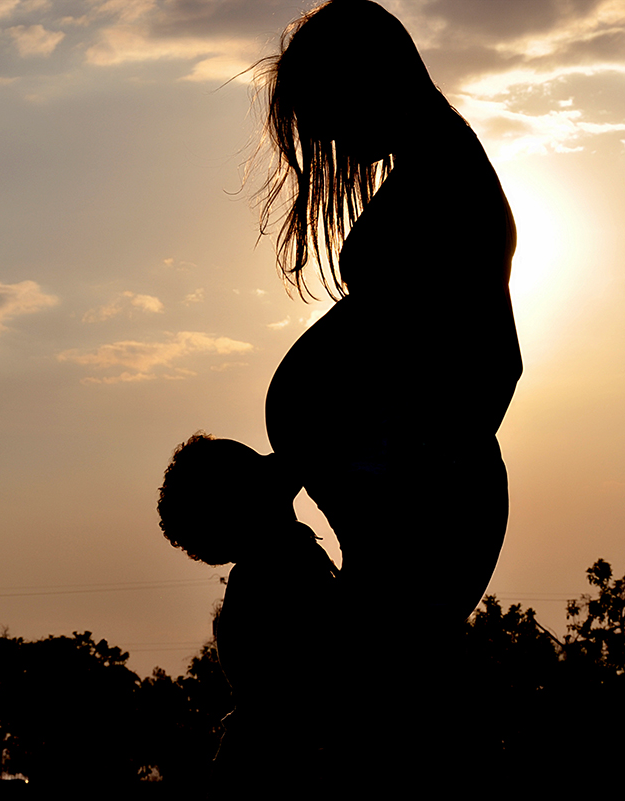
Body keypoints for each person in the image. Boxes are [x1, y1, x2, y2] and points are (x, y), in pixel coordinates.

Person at [258, 0, 522, 635]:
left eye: (323, 111)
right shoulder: (432, 169)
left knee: (370, 674)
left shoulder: (446, 180)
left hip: (419, 506)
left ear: (363, 81)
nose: (323, 138)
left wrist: (416, 464)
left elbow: (495, 358)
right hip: (405, 496)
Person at [156, 432, 339, 790]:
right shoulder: (274, 575)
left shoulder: (272, 567)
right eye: (254, 465)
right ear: (239, 505)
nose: (273, 460)